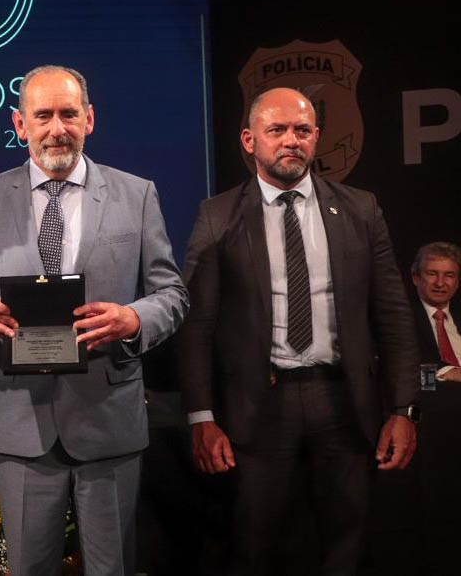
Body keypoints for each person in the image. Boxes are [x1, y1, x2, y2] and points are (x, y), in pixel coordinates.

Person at [0, 65, 188, 576]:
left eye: (69, 114)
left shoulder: (136, 193)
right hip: (19, 423)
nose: (57, 128)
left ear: (89, 119)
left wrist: (133, 318)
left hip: (108, 418)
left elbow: (172, 293)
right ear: (19, 125)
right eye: (43, 116)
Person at [179, 87, 420, 575]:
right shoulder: (217, 216)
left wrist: (403, 408)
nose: (291, 140)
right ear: (249, 140)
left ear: (316, 137)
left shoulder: (361, 209)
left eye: (302, 130)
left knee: (347, 545)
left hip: (345, 402)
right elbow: (196, 325)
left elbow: (393, 314)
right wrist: (201, 415)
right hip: (258, 405)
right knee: (253, 547)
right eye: (277, 130)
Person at [410, 242, 461, 382]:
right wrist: (447, 372)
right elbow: (400, 369)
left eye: (449, 275)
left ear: (457, 282)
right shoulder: (400, 318)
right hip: (432, 392)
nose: (440, 283)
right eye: (432, 274)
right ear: (416, 277)